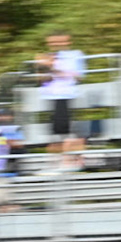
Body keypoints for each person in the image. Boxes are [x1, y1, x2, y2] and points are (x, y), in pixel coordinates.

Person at [34, 33, 88, 170]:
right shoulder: (46, 56)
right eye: (52, 43)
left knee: (68, 131)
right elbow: (42, 80)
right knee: (54, 133)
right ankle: (55, 164)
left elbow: (77, 76)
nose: (55, 45)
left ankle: (74, 161)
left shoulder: (75, 55)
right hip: (50, 97)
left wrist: (52, 66)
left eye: (59, 42)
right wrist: (42, 68)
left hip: (66, 95)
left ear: (67, 41)